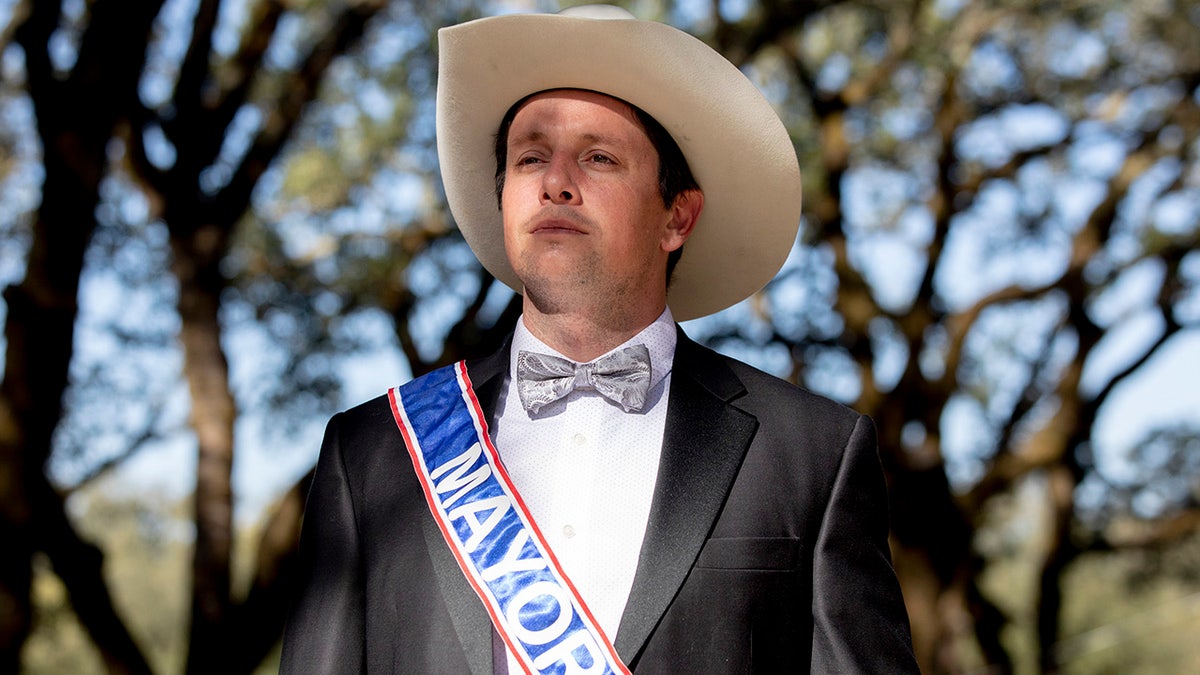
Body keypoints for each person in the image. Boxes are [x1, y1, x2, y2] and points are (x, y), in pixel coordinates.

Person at [281, 5, 919, 673]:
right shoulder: (371, 455)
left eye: (598, 156)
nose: (555, 182)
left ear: (677, 217)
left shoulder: (810, 453)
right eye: (531, 157)